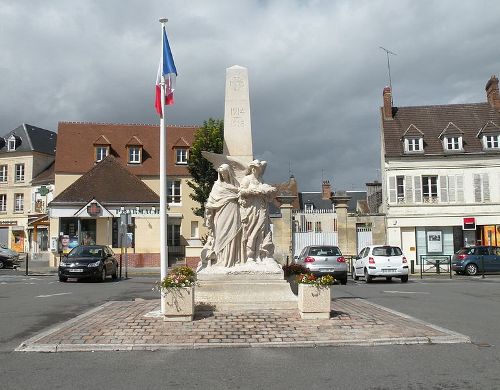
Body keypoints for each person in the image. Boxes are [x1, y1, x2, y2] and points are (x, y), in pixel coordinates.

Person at [203, 164, 243, 267]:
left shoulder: (236, 186)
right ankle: (220, 259)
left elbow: (241, 197)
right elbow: (212, 200)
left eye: (225, 173)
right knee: (220, 234)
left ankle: (231, 260)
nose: (223, 175)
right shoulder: (217, 185)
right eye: (221, 174)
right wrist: (208, 209)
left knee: (232, 233)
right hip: (220, 213)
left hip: (233, 210)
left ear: (229, 173)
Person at [239, 160, 276, 262]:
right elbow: (241, 191)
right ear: (252, 168)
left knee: (261, 229)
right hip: (251, 208)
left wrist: (270, 191)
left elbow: (266, 192)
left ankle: (261, 253)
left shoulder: (261, 180)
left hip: (261, 208)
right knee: (251, 230)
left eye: (259, 169)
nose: (258, 170)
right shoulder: (247, 179)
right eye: (256, 168)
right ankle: (249, 256)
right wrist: (252, 191)